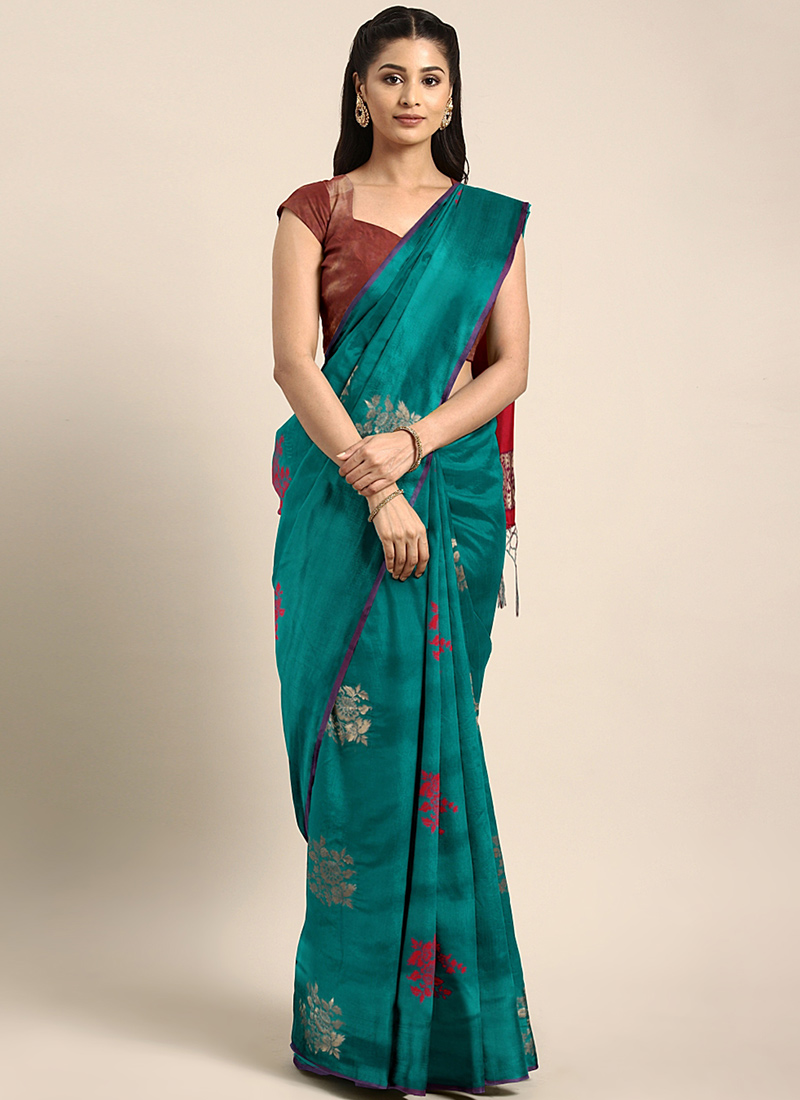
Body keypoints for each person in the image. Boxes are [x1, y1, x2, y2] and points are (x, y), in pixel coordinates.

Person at [270, 6, 539, 1094]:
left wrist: (415, 443)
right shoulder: (313, 210)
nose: (412, 94)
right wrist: (378, 487)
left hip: (454, 499)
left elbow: (509, 367)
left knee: (440, 752)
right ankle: (356, 1034)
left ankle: (455, 1034)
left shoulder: (485, 225)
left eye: (431, 77)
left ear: (452, 93)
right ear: (359, 91)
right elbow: (295, 363)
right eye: (391, 75)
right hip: (344, 507)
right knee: (360, 769)